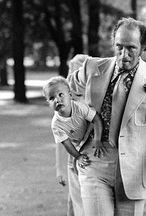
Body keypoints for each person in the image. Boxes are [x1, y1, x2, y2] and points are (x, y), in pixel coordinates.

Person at [68, 17, 146, 215]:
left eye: (131, 48)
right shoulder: (92, 67)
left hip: (135, 171)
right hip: (94, 160)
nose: (124, 55)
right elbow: (66, 90)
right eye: (119, 47)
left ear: (143, 47)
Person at [42, 76, 106, 216]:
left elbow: (96, 119)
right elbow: (66, 144)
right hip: (78, 145)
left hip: (89, 133)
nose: (57, 100)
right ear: (48, 103)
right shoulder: (56, 124)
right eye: (52, 98)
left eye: (60, 95)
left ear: (70, 95)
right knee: (78, 176)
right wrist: (78, 157)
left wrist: (97, 139)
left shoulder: (79, 106)